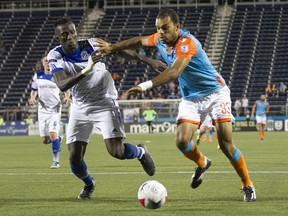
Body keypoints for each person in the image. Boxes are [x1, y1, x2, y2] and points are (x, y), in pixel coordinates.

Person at [98, 8, 256, 202]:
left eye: (165, 28)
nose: (161, 33)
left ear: (177, 27)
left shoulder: (187, 43)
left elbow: (174, 73)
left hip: (216, 94)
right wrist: (112, 47)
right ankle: (203, 162)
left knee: (226, 144)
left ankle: (247, 184)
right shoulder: (160, 39)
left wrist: (145, 85)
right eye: (158, 29)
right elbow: (139, 40)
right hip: (191, 98)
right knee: (181, 141)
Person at [47, 17, 168, 200]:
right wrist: (87, 69)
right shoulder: (55, 56)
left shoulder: (93, 43)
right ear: (58, 38)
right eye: (65, 35)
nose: (70, 37)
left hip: (104, 103)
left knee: (116, 152)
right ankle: (89, 184)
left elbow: (119, 51)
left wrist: (148, 61)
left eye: (72, 32)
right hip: (80, 107)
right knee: (74, 158)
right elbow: (62, 85)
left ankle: (141, 152)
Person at [28, 54, 69, 169]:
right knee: (45, 140)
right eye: (45, 61)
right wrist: (32, 97)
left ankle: (56, 161)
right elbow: (34, 90)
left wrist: (67, 96)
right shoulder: (37, 76)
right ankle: (58, 140)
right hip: (42, 110)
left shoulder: (57, 76)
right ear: (42, 63)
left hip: (55, 109)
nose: (47, 62)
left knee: (52, 133)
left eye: (48, 60)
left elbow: (66, 88)